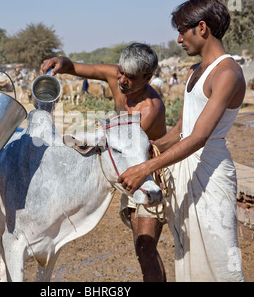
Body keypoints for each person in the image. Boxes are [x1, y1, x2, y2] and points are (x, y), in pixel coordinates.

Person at [118, 0, 246, 282]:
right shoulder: (194, 71)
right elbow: (182, 129)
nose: (178, 39)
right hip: (185, 171)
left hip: (210, 174)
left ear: (202, 28)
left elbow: (200, 137)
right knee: (188, 255)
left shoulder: (227, 73)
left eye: (181, 31)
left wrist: (145, 168)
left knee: (219, 258)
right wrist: (150, 151)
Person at [41, 43, 168, 282]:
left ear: (148, 77)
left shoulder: (150, 108)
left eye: (129, 77)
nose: (121, 80)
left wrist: (82, 138)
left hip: (149, 174)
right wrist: (60, 62)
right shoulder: (117, 76)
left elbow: (121, 142)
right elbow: (78, 68)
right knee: (142, 247)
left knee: (145, 247)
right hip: (127, 170)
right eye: (120, 72)